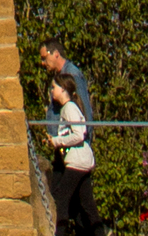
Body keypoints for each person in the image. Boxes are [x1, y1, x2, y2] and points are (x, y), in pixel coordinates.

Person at [45, 75, 102, 236]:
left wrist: (57, 141)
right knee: (87, 204)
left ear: (63, 89)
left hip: (77, 162)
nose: (51, 91)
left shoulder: (69, 107)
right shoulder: (68, 108)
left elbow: (79, 134)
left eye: (53, 87)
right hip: (82, 161)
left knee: (62, 199)